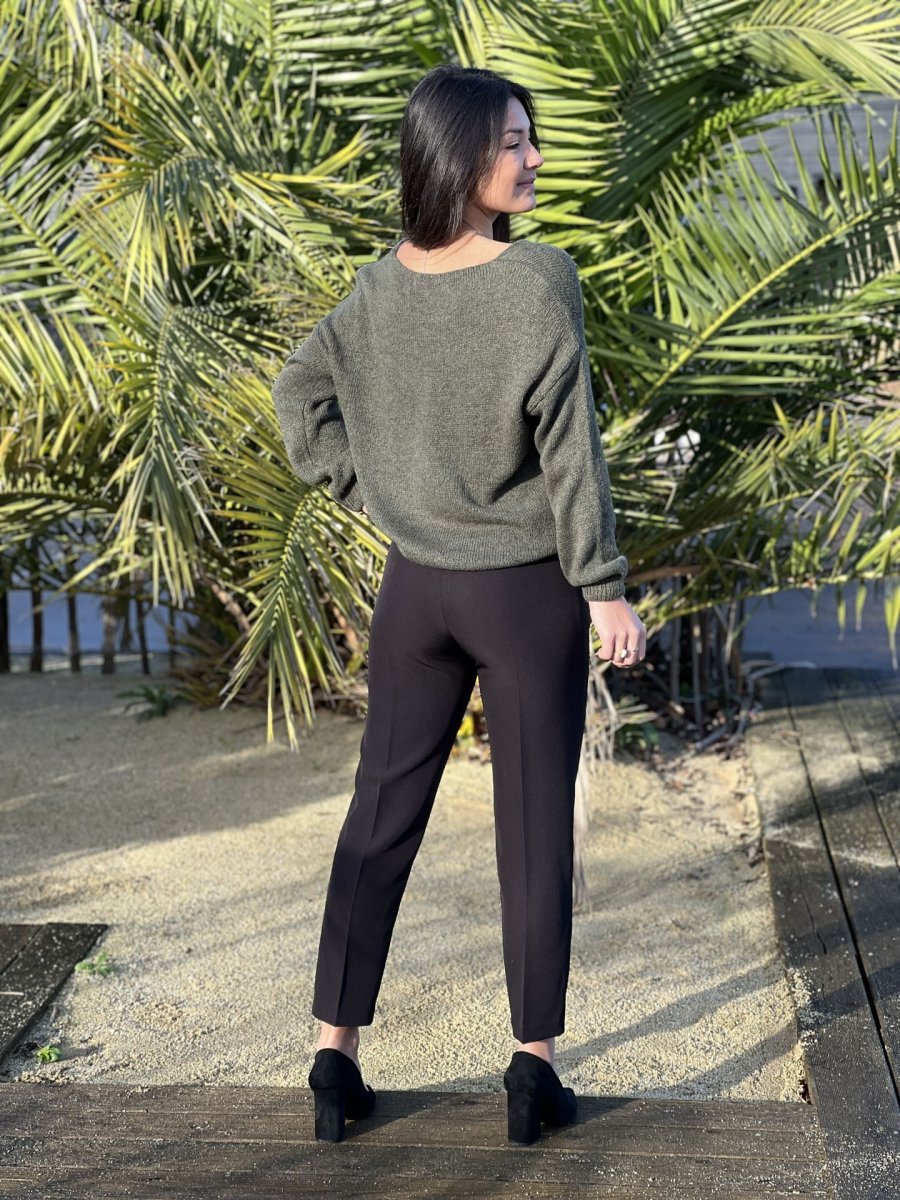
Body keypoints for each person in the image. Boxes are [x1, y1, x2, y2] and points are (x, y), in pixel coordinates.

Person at [271, 64, 647, 1144]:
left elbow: (298, 395)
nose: (533, 158)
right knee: (532, 828)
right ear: (458, 153)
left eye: (531, 139)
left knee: (378, 818)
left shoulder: (379, 286)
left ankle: (333, 1057)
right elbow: (572, 451)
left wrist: (374, 491)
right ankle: (533, 1071)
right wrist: (605, 589)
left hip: (415, 591)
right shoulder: (538, 280)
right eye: (513, 142)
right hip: (523, 593)